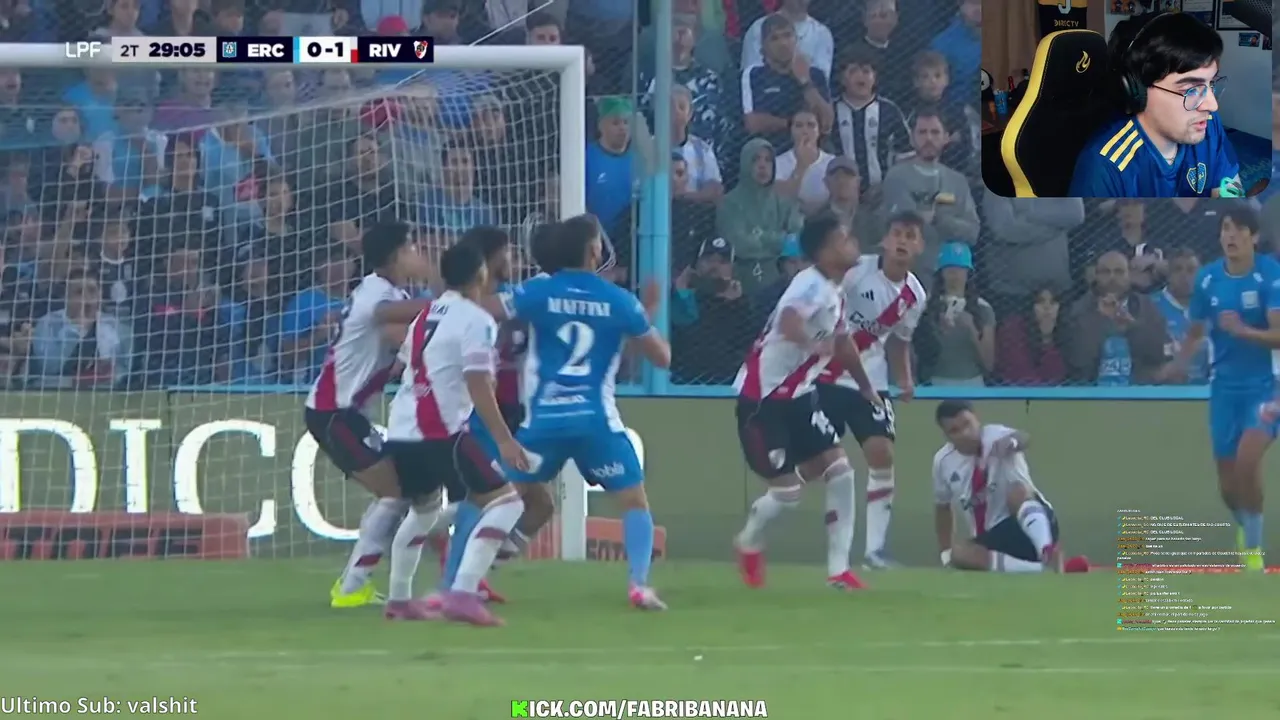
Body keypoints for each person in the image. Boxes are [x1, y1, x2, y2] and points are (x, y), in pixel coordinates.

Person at [498, 215, 673, 610]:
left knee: (494, 499)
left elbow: (490, 311)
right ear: (594, 250)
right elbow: (661, 358)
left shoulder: (537, 292)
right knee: (634, 503)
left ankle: (462, 574)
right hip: (596, 420)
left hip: (543, 420)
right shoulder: (619, 300)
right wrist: (647, 312)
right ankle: (638, 584)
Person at [382, 241, 530, 626]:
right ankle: (462, 593)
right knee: (507, 503)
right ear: (480, 274)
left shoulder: (425, 314)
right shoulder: (476, 319)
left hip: (401, 429)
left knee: (424, 511)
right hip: (441, 430)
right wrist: (503, 439)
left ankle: (399, 600)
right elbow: (478, 381)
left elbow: (406, 366)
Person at [733, 213, 883, 590]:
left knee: (841, 470)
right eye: (845, 239)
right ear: (826, 252)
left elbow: (843, 342)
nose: (853, 243)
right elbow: (788, 321)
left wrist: (866, 387)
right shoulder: (810, 284)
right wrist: (813, 345)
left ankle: (839, 571)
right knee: (787, 495)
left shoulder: (835, 291)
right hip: (763, 400)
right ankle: (748, 541)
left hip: (801, 396)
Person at [302, 221, 431, 609]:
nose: (417, 253)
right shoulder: (378, 293)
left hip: (348, 413)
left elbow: (396, 341)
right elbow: (386, 316)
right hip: (334, 412)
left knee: (403, 491)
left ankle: (355, 584)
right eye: (411, 248)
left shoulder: (390, 291)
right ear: (395, 256)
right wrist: (448, 299)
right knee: (395, 493)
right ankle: (351, 587)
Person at [815, 211, 927, 569]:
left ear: (920, 246)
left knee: (882, 453)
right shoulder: (856, 270)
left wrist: (905, 378)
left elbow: (899, 341)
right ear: (884, 241)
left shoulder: (914, 295)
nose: (902, 241)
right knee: (816, 464)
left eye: (910, 236)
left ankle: (874, 551)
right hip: (829, 375)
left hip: (872, 382)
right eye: (897, 233)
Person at [1172, 204, 1276, 571]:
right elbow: (1196, 330)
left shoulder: (1270, 275)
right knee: (1229, 486)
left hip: (1266, 387)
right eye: (1225, 229)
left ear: (1254, 237)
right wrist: (1179, 364)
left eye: (1238, 230)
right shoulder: (1208, 279)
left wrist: (1244, 330)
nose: (1230, 236)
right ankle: (1246, 526)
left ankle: (1254, 553)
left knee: (1248, 463)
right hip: (1223, 390)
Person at [1068, 13, 1237, 198]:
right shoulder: (1104, 168)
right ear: (1136, 91)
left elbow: (1230, 189)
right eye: (1191, 89)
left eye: (1211, 83)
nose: (1212, 105)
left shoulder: (1208, 123)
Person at [931, 400, 1089, 573]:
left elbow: (1023, 438)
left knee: (1017, 492)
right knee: (958, 553)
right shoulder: (943, 461)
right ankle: (1044, 569)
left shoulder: (995, 434)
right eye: (955, 430)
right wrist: (945, 553)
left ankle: (1046, 550)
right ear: (946, 435)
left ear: (977, 419)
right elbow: (942, 507)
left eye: (967, 424)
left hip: (1031, 523)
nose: (965, 433)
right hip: (995, 536)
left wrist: (1011, 443)